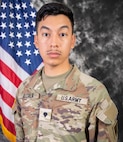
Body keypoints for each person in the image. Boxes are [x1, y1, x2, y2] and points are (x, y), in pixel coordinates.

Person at [13, 2, 118, 142]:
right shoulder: (24, 90)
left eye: (62, 34)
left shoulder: (95, 93)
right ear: (36, 41)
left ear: (72, 40)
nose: (53, 43)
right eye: (46, 34)